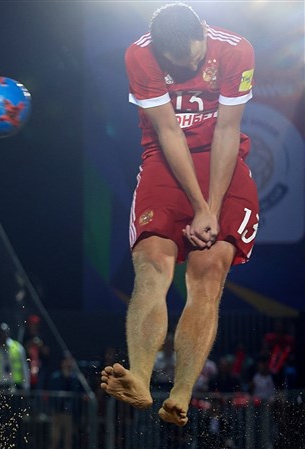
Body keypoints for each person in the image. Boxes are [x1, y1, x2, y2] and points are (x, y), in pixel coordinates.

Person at [100, 2, 259, 426]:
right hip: (164, 160)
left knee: (209, 272)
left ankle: (183, 392)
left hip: (221, 159)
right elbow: (168, 131)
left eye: (194, 58)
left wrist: (211, 206)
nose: (189, 67)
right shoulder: (140, 54)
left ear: (203, 34)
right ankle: (139, 376)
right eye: (179, 64)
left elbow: (227, 129)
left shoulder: (236, 50)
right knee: (152, 263)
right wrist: (199, 204)